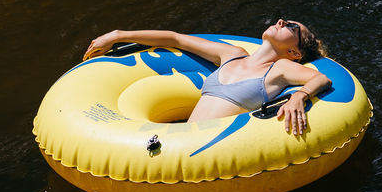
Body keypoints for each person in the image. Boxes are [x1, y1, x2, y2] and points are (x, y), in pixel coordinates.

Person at [82, 19, 332, 135]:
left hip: (209, 153)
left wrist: (299, 96)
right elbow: (176, 38)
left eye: (291, 27)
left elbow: (321, 79)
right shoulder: (232, 54)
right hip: (181, 139)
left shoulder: (280, 68)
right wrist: (116, 35)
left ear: (294, 52)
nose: (281, 21)